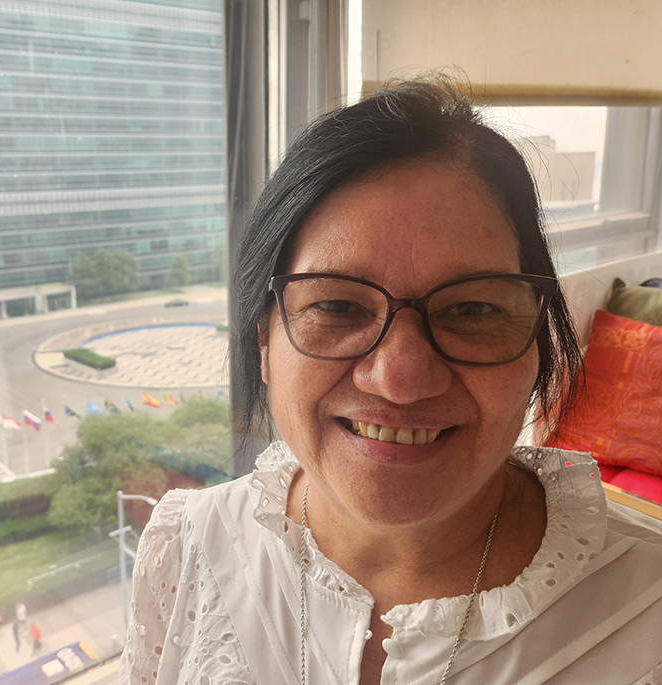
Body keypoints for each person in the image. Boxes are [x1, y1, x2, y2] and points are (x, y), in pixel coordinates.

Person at [120, 77, 662, 685]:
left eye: (473, 310)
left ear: (538, 343)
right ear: (265, 341)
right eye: (338, 308)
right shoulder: (185, 550)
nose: (400, 380)